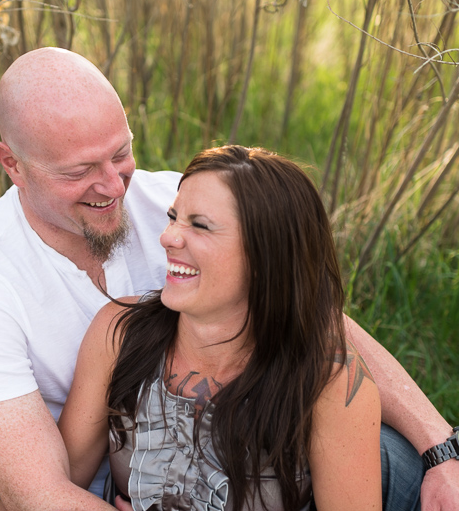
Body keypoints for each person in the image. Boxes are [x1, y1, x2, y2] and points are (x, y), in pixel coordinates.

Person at [0, 47, 459, 511]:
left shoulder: (183, 200)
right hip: (100, 483)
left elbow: (311, 315)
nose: (116, 187)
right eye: (78, 172)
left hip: (264, 450)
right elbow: (43, 491)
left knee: (384, 452)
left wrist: (444, 449)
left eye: (120, 154)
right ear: (12, 164)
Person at [59, 145, 383, 510]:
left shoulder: (330, 381)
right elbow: (45, 489)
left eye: (200, 225)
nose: (168, 238)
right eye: (173, 217)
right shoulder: (119, 334)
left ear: (266, 256)